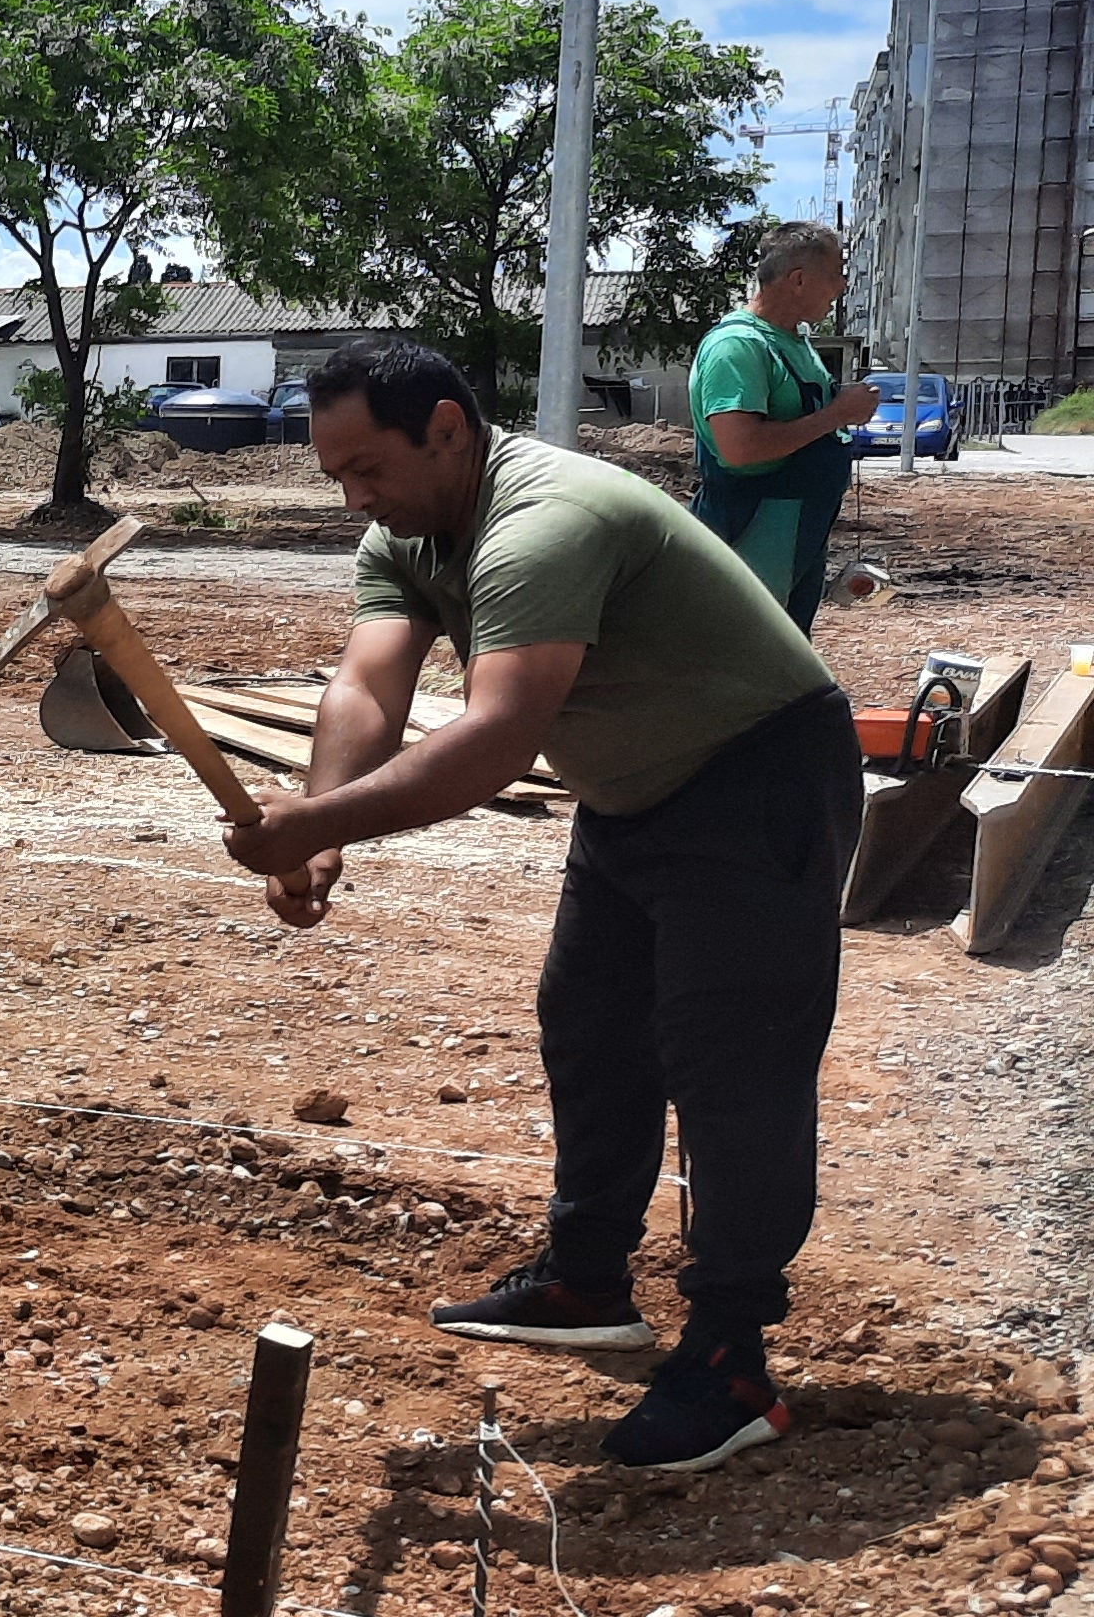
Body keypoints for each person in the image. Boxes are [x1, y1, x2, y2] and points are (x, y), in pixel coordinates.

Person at [223, 339, 859, 1474]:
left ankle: (729, 1361)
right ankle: (585, 1278)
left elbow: (496, 740)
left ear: (450, 431)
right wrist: (319, 821)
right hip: (631, 793)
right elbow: (368, 683)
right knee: (590, 1025)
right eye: (336, 476)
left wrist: (315, 825)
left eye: (368, 467)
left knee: (733, 1065)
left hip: (757, 776)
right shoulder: (409, 534)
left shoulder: (542, 522)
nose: (355, 497)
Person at [688, 221, 878, 634]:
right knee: (742, 659)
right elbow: (738, 448)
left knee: (786, 661)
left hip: (797, 534)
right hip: (751, 534)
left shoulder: (793, 341)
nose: (842, 286)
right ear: (798, 280)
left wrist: (844, 406)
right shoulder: (736, 347)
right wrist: (836, 414)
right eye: (835, 275)